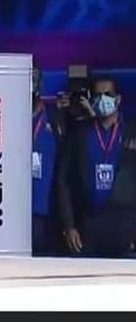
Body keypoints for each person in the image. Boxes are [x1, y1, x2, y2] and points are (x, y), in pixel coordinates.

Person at [57, 76, 136, 257]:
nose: (103, 99)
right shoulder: (79, 135)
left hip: (126, 229)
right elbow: (63, 181)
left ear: (118, 99)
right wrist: (69, 225)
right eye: (98, 95)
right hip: (88, 228)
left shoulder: (131, 131)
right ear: (91, 100)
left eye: (108, 94)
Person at [31, 63, 66, 255]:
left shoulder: (54, 118)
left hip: (47, 211)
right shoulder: (5, 118)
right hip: (13, 212)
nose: (31, 84)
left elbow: (66, 169)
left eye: (34, 79)